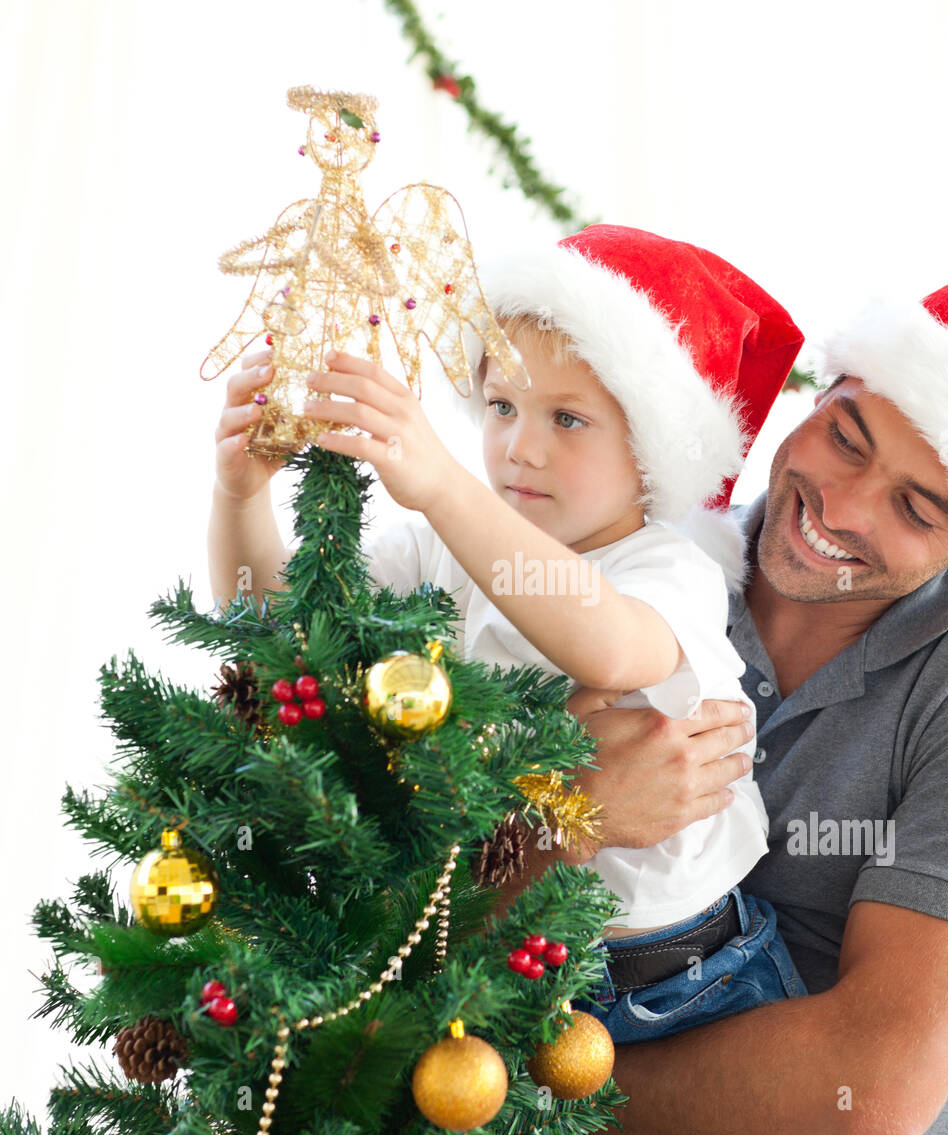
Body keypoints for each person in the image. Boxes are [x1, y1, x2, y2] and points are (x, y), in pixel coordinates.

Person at [501, 228, 948, 1135]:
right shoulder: (637, 572)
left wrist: (514, 1077)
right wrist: (566, 821)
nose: (841, 509)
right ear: (819, 396)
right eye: (846, 440)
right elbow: (413, 893)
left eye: (916, 506)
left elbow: (867, 1099)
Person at [208, 226, 810, 1061]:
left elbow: (611, 647)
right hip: (507, 966)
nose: (520, 446)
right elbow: (286, 640)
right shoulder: (444, 549)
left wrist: (445, 487)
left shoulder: (667, 567)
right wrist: (240, 496)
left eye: (568, 418)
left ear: (652, 452)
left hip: (689, 982)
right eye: (501, 406)